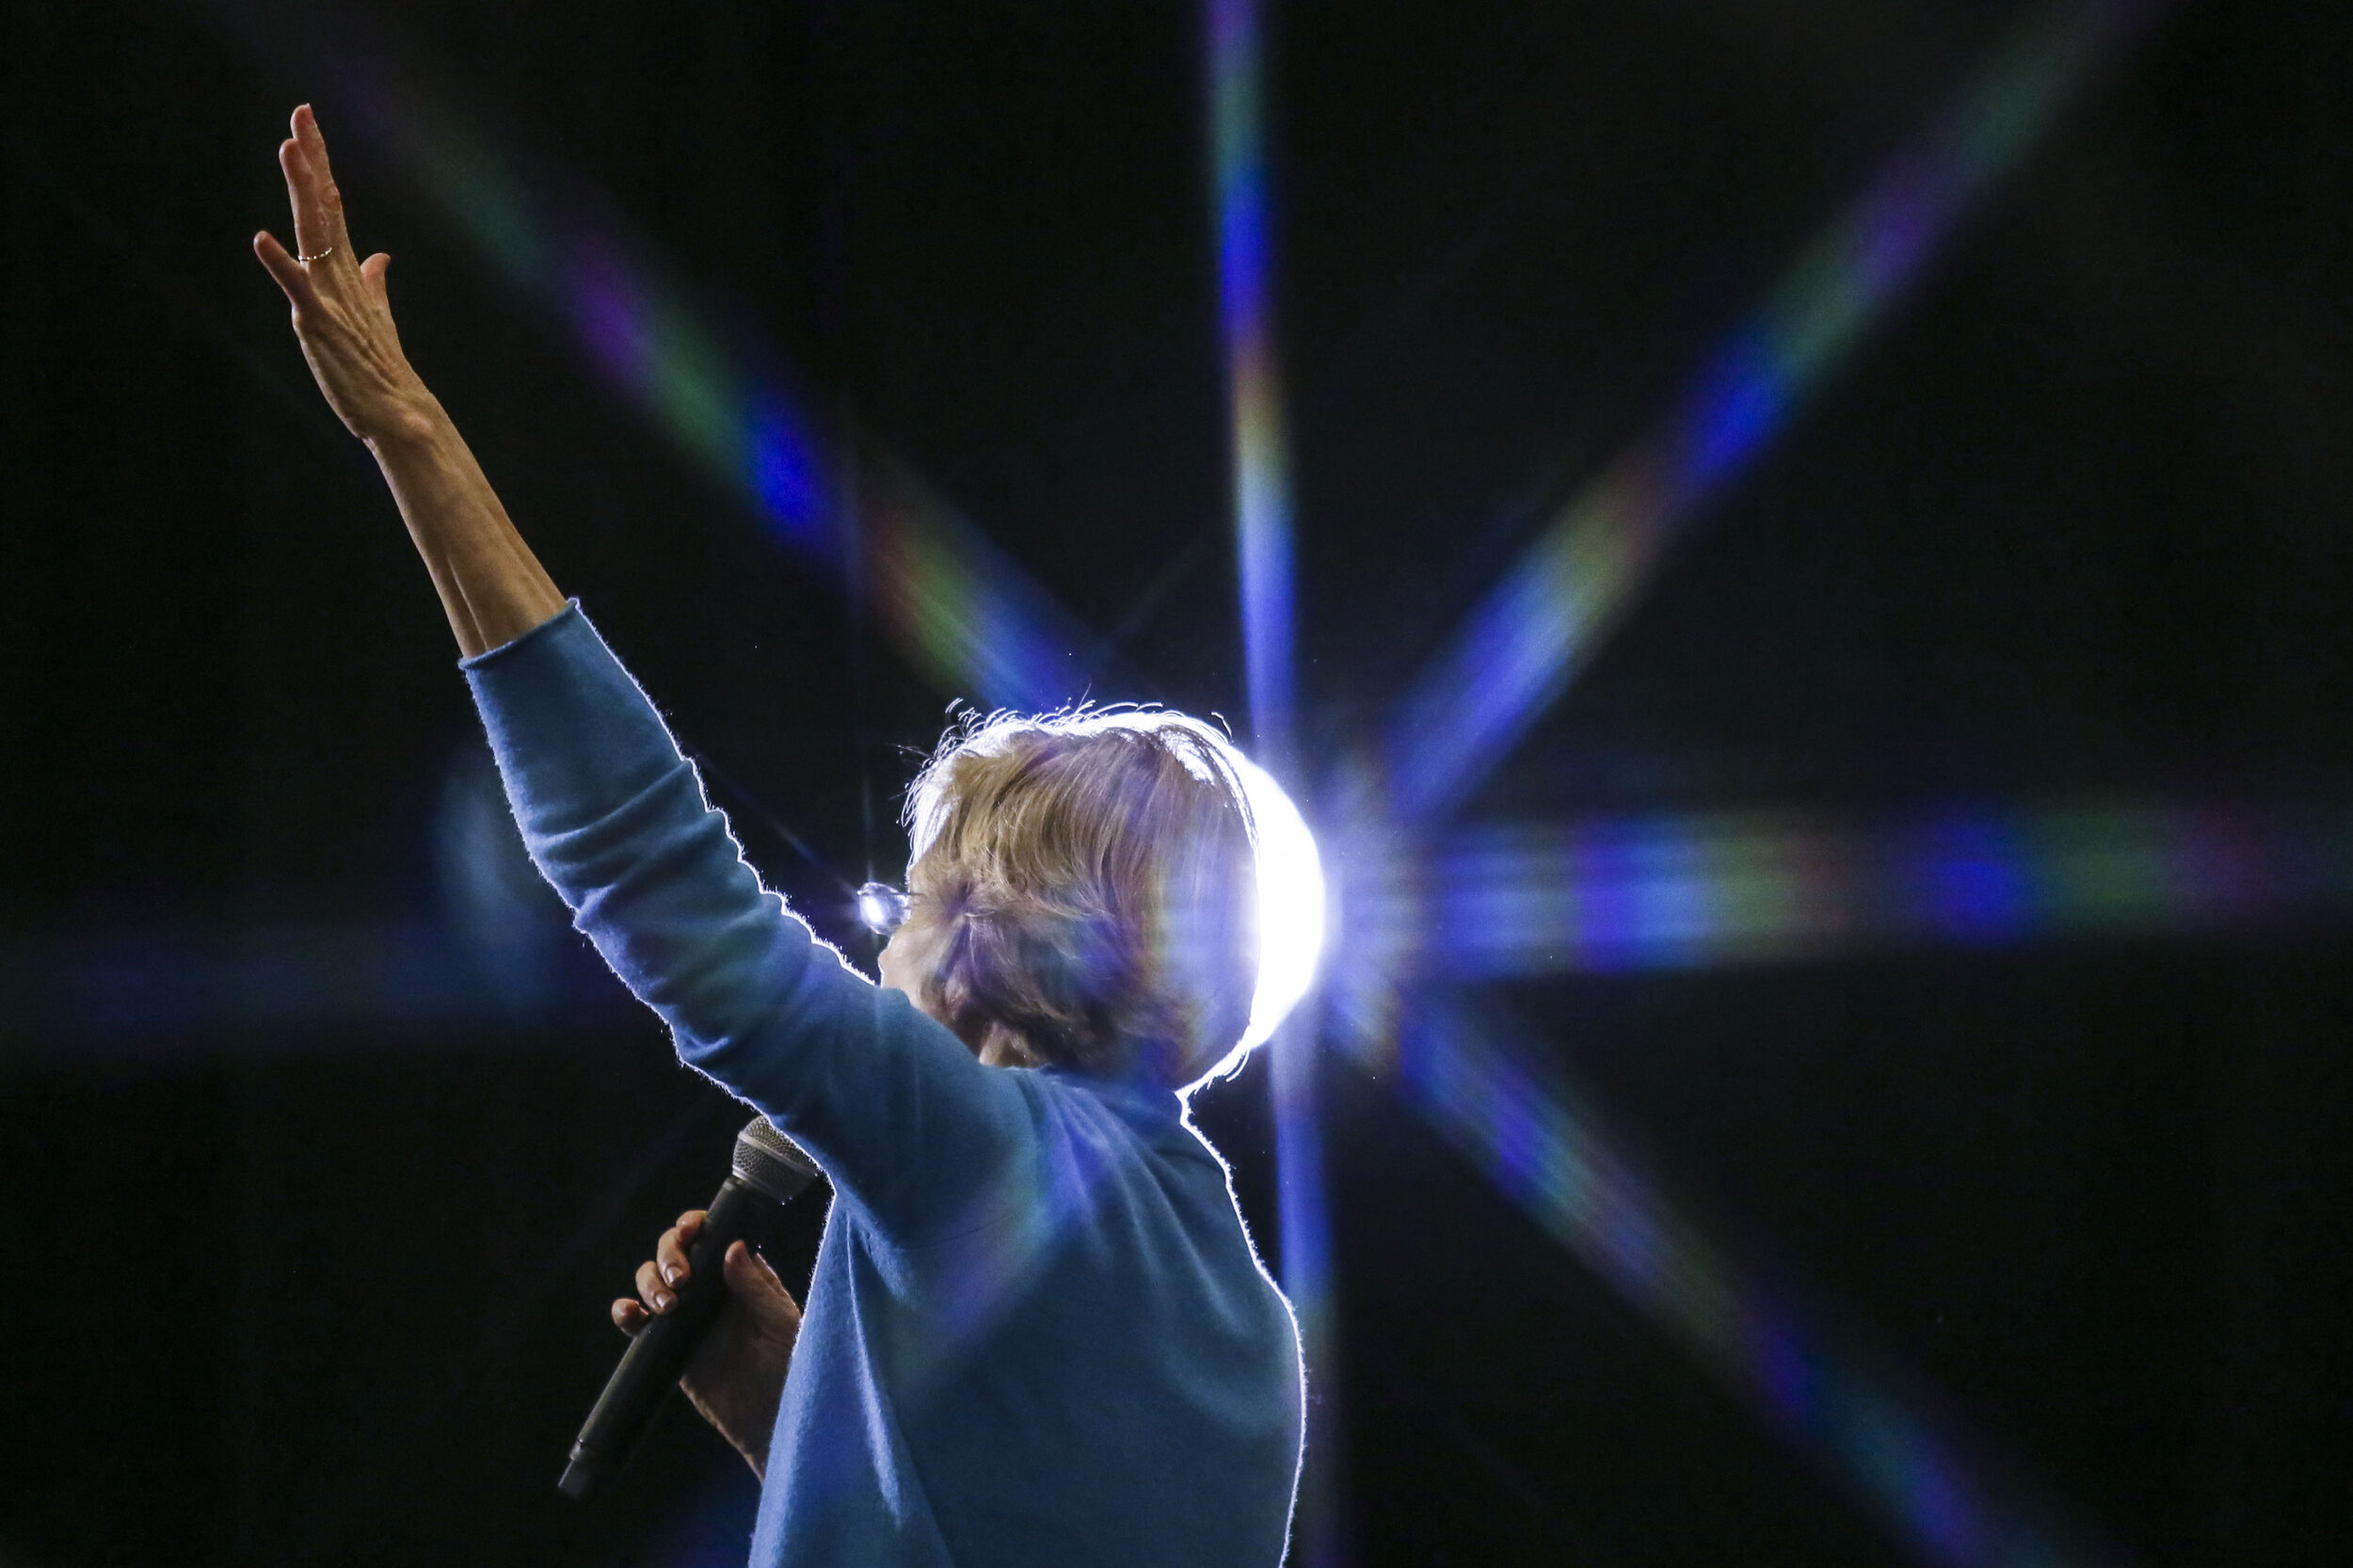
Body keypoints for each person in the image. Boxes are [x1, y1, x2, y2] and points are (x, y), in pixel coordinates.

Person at [254, 105, 1305, 1565]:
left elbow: (651, 865)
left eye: (922, 892)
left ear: (1000, 932)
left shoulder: (994, 1160)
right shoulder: (1245, 1315)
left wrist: (411, 433)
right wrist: (796, 1410)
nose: (892, 934)